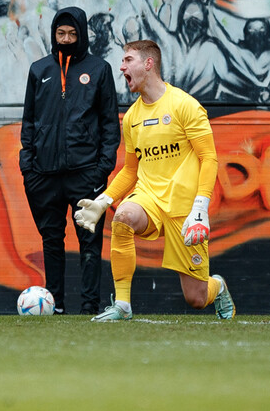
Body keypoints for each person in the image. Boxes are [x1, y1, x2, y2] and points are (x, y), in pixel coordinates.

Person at [73, 40, 236, 321]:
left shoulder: (185, 105)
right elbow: (130, 171)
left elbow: (209, 158)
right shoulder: (132, 117)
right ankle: (122, 305)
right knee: (122, 217)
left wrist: (200, 207)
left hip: (185, 208)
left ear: (148, 64)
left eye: (127, 60)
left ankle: (217, 286)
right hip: (148, 198)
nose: (121, 66)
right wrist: (104, 201)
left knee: (196, 298)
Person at [19, 7, 120, 315]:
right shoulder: (39, 70)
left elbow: (109, 124)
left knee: (89, 243)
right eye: (60, 34)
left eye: (72, 34)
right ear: (54, 35)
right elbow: (29, 122)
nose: (66, 39)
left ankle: (90, 306)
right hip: (44, 175)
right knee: (51, 240)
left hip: (86, 174)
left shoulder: (99, 69)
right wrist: (28, 166)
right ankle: (55, 305)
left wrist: (102, 169)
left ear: (82, 35)